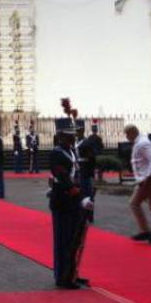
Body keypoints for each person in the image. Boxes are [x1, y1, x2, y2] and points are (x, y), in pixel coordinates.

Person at [48, 116, 91, 288]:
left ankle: (73, 273)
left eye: (72, 135)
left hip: (73, 200)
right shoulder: (56, 153)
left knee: (75, 239)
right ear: (61, 136)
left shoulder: (72, 151)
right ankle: (62, 276)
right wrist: (78, 193)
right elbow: (62, 175)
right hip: (63, 200)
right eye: (69, 135)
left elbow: (77, 173)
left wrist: (83, 195)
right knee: (63, 240)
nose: (73, 137)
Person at [77, 122, 103, 206]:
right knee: (80, 191)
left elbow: (92, 156)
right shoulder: (77, 141)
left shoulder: (87, 141)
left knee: (87, 191)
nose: (76, 133)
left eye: (78, 131)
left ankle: (88, 213)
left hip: (85, 168)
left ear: (82, 131)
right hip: (78, 169)